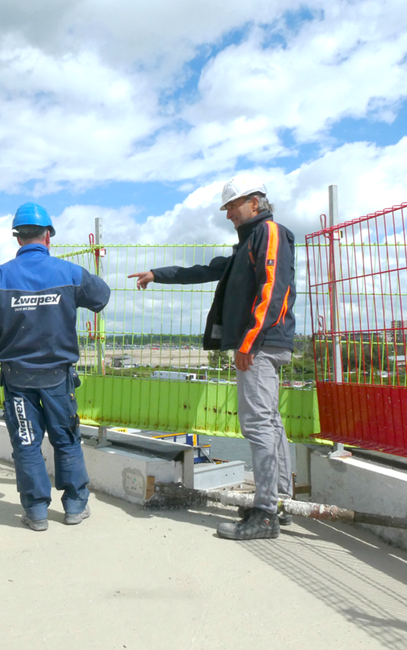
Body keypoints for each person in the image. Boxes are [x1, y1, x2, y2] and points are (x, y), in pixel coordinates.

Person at [129, 175, 296, 540]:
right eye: (227, 208)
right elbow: (205, 270)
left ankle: (266, 512)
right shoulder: (246, 244)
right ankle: (279, 501)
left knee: (258, 425)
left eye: (232, 206)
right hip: (265, 343)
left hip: (261, 345)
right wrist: (158, 274)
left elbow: (273, 290)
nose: (228, 215)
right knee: (269, 422)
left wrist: (248, 343)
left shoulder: (269, 232)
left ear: (255, 201)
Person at [0, 203, 110, 532]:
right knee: (65, 439)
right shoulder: (69, 273)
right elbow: (101, 297)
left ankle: (36, 511)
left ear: (17, 238)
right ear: (48, 235)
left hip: (17, 378)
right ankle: (75, 505)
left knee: (26, 442)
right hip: (58, 377)